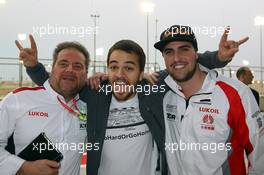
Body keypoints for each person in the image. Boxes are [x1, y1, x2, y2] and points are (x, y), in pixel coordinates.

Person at [24, 29, 243, 175]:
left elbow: (180, 63)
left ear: (141, 73)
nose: (119, 74)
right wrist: (34, 67)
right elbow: (63, 85)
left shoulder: (153, 90)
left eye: (128, 68)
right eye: (113, 66)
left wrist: (219, 58)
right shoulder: (96, 94)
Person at [153, 24, 264, 175]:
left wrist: (217, 56)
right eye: (169, 52)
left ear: (196, 53)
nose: (177, 58)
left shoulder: (236, 94)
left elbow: (260, 158)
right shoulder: (162, 93)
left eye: (184, 49)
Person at [0, 38, 89, 175]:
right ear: (52, 69)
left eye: (77, 66)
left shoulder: (88, 108)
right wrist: (23, 167)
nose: (70, 69)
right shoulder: (18, 99)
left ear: (85, 75)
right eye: (63, 64)